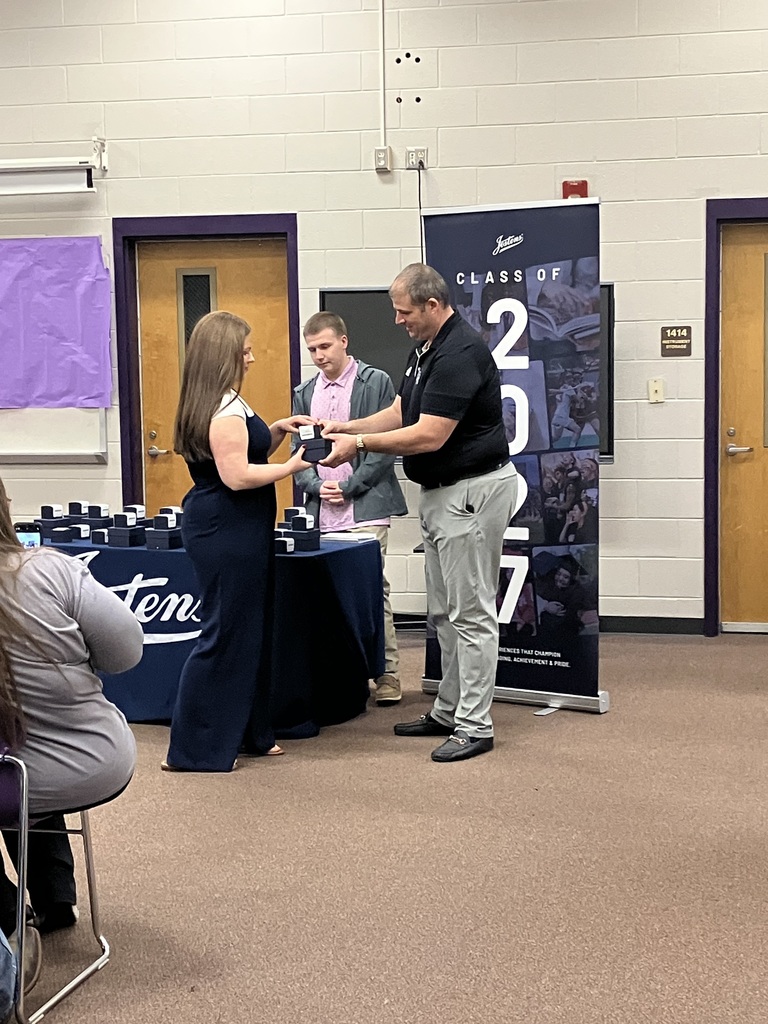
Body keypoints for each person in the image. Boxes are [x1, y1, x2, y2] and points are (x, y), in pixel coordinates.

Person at [320, 264, 518, 763]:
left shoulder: (459, 352)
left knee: (470, 613)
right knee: (443, 614)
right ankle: (450, 711)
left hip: (469, 493)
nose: (396, 320)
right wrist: (340, 426)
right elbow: (400, 412)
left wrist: (358, 443)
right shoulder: (426, 348)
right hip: (441, 493)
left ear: (432, 305)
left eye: (403, 311)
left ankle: (476, 724)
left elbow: (429, 434)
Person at [0, 474, 143, 977]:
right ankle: (56, 901)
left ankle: (9, 915)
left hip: (14, 775)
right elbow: (126, 652)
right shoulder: (52, 571)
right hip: (92, 757)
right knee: (24, 751)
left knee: (14, 756)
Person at [164, 311, 311, 773]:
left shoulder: (228, 402)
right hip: (224, 527)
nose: (250, 357)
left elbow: (247, 452)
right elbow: (237, 475)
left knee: (249, 631)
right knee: (224, 632)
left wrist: (277, 430)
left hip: (240, 526)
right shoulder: (222, 411)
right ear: (223, 355)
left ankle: (251, 731)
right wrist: (290, 468)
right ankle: (192, 748)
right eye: (244, 350)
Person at [291, 312, 408, 707]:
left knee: (374, 589)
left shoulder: (375, 383)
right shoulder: (304, 391)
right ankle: (341, 673)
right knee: (325, 593)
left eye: (324, 346)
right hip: (320, 511)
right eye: (312, 350)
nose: (319, 355)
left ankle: (386, 672)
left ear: (343, 340)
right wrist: (314, 485)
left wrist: (349, 486)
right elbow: (299, 454)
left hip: (365, 507)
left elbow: (385, 443)